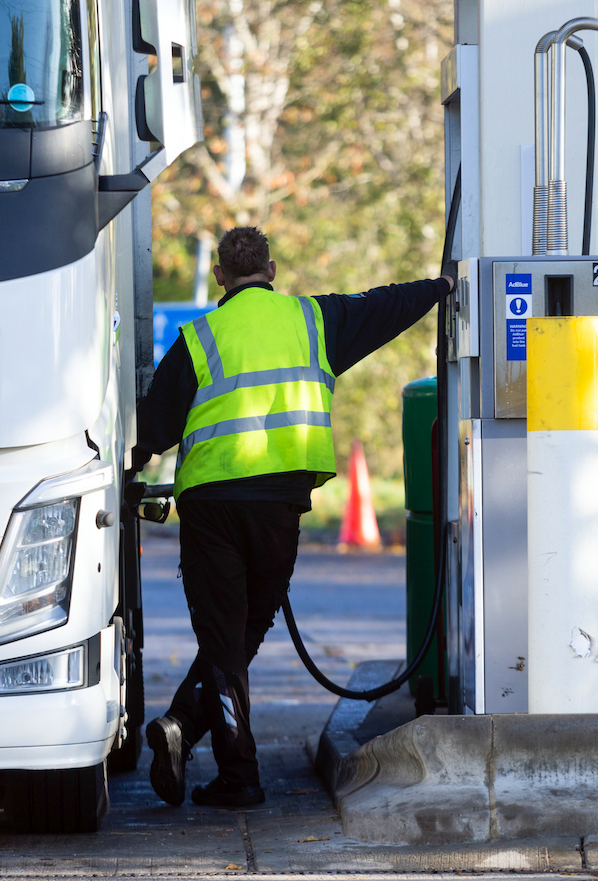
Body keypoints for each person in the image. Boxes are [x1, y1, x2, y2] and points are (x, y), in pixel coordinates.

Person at [129, 226, 454, 808]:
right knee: (245, 631)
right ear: (272, 270)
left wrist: (125, 468)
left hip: (212, 508)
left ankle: (202, 742)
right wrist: (440, 287)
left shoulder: (200, 337)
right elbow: (383, 306)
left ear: (220, 276)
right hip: (279, 505)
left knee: (228, 637)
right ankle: (221, 757)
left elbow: (153, 428)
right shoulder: (313, 322)